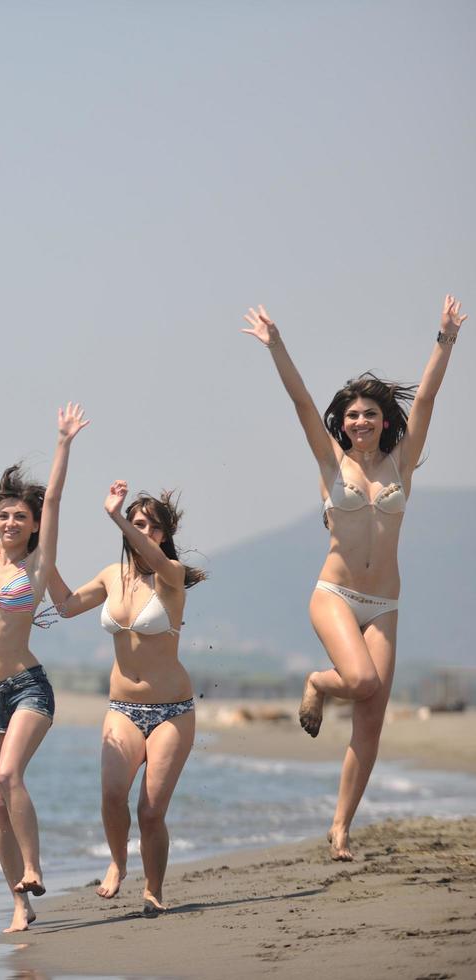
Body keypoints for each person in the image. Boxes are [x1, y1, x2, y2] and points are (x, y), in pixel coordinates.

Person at [241, 297, 464, 861]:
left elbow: (430, 395)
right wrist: (276, 345)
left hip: (385, 602)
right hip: (335, 595)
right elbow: (300, 400)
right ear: (340, 424)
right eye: (351, 415)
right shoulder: (329, 464)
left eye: (369, 414)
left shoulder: (401, 464)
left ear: (385, 421)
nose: (359, 422)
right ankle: (318, 683)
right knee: (360, 682)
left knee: (372, 718)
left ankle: (340, 827)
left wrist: (445, 339)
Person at [49, 483, 207, 916]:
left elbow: (154, 558)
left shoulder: (170, 574)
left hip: (172, 711)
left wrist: (118, 518)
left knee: (151, 811)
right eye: (138, 523)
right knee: (112, 795)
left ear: (165, 532)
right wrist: (42, 557)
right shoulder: (110, 576)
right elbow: (64, 605)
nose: (145, 531)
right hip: (123, 708)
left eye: (153, 526)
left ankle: (154, 889)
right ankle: (118, 864)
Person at [0, 391, 88, 932]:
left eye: (20, 516)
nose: (10, 522)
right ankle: (19, 902)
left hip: (26, 688)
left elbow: (56, 500)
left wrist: (62, 443)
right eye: (3, 515)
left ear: (33, 525)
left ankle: (34, 867)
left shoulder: (39, 566)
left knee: (10, 772)